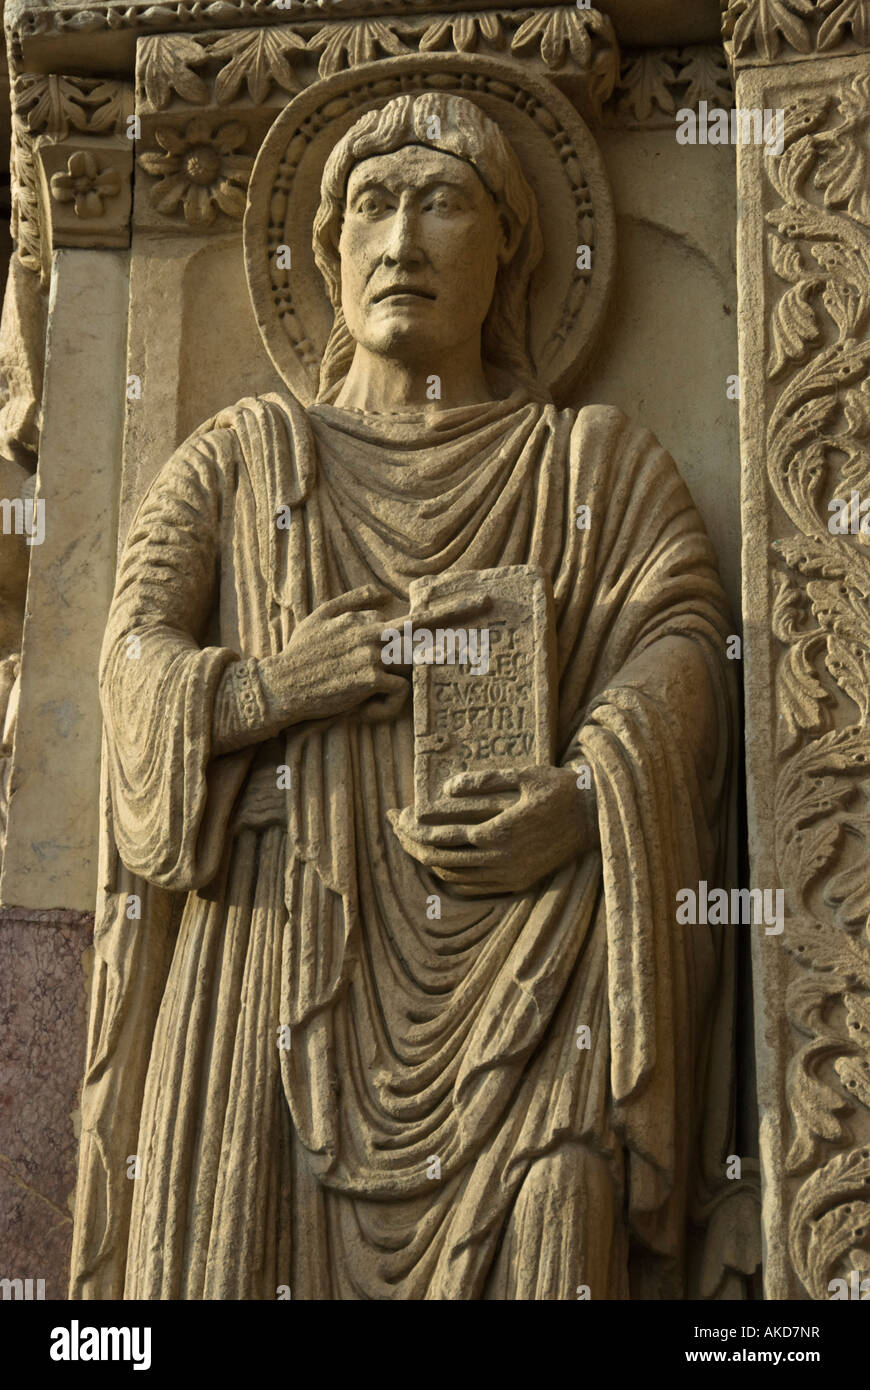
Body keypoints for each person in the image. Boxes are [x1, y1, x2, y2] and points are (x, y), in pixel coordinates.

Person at [71, 91, 739, 1300]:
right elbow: (128, 667)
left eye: (443, 204)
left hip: (532, 972)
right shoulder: (239, 460)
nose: (401, 240)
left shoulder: (590, 464)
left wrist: (587, 794)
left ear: (513, 252)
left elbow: (683, 648)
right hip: (271, 965)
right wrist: (269, 686)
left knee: (557, 1213)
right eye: (371, 205)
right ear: (325, 255)